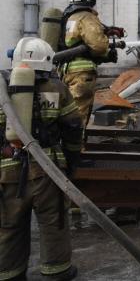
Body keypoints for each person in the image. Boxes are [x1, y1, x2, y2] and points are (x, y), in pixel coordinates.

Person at [0, 37, 82, 281]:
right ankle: (57, 271)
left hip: (6, 171)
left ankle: (9, 273)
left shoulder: (2, 88)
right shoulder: (56, 89)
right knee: (53, 220)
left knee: (8, 226)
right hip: (47, 168)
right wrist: (72, 160)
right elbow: (73, 126)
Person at [60, 0, 115, 127]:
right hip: (82, 74)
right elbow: (98, 45)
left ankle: (66, 144)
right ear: (90, 0)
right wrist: (108, 51)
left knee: (68, 111)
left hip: (67, 70)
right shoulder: (87, 17)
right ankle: (76, 148)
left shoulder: (70, 17)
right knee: (79, 114)